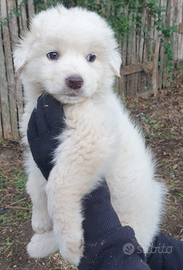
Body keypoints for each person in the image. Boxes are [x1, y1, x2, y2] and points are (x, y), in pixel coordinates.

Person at [27, 94, 183, 270]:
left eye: (90, 62)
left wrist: (99, 233)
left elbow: (88, 154)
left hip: (130, 214)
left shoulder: (92, 104)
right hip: (143, 240)